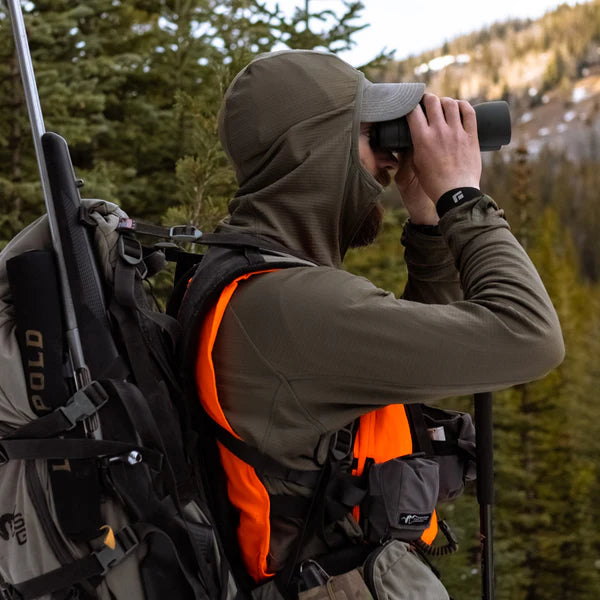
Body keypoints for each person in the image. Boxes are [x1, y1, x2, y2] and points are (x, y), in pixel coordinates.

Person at [184, 49, 565, 597]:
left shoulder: (253, 284)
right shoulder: (293, 307)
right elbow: (530, 337)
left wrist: (430, 226)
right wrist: (463, 198)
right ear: (315, 152)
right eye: (373, 137)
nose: (391, 161)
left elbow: (418, 371)